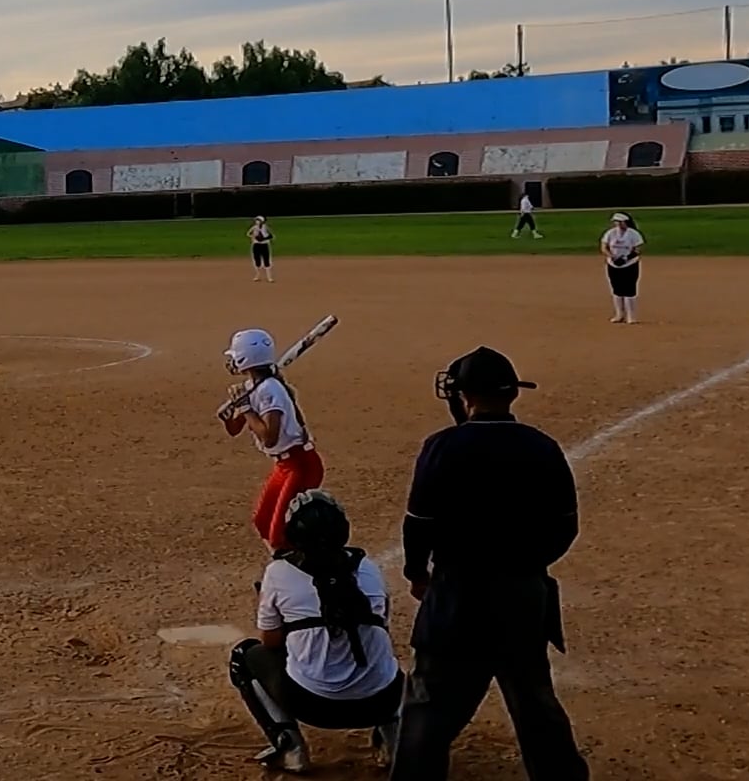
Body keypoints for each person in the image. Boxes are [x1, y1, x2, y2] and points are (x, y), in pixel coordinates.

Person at [391, 346, 587, 781]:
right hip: (522, 596)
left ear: (465, 397)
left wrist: (417, 574)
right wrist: (527, 567)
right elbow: (565, 526)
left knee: (427, 710)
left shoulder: (442, 447)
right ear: (512, 394)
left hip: (455, 595)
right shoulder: (542, 447)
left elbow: (418, 525)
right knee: (535, 705)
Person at [230, 489, 404, 773]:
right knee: (384, 660)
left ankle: (290, 748)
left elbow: (270, 641)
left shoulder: (279, 572)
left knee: (244, 656)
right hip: (381, 701)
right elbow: (382, 625)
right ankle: (394, 742)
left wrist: (298, 626)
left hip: (312, 705)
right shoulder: (369, 568)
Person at [221, 329, 325, 552]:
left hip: (301, 464)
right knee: (263, 521)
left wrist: (246, 408)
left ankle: (300, 568)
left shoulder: (270, 390)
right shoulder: (252, 388)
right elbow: (234, 429)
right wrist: (230, 415)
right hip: (284, 465)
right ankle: (285, 563)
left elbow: (269, 437)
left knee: (280, 533)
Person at [600, 212, 645, 324]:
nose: (619, 224)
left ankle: (631, 316)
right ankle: (619, 314)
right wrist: (612, 257)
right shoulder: (610, 233)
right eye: (617, 222)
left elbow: (638, 249)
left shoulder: (633, 234)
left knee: (629, 289)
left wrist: (626, 258)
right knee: (616, 288)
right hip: (613, 264)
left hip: (630, 264)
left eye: (621, 222)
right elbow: (604, 247)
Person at [248, 216, 275, 282]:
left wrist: (264, 238)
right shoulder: (254, 227)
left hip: (264, 245)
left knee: (266, 260)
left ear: (262, 221)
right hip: (256, 245)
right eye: (256, 220)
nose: (256, 221)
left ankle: (269, 277)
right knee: (257, 260)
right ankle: (258, 275)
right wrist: (254, 237)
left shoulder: (266, 227)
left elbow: (272, 236)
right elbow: (248, 233)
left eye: (258, 220)